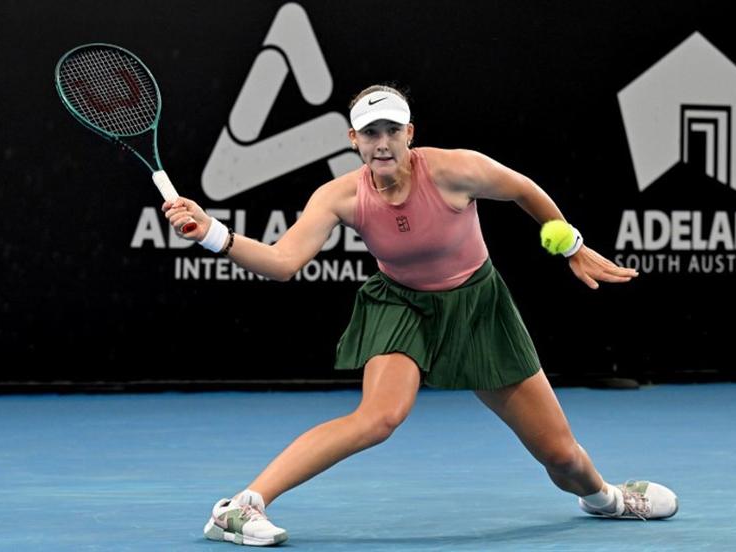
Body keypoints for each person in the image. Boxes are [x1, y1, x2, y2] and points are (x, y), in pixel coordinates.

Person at [163, 85, 678, 547]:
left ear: (410, 133)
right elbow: (282, 263)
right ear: (353, 139)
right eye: (370, 133)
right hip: (401, 305)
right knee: (378, 418)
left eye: (391, 130)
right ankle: (241, 507)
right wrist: (212, 232)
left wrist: (570, 243)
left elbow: (523, 188)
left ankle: (604, 498)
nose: (382, 142)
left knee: (562, 457)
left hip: (478, 306)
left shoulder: (456, 169)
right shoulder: (339, 196)